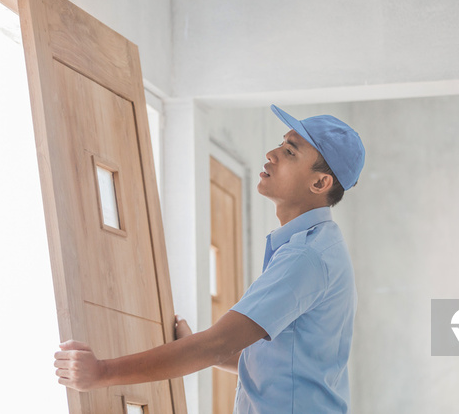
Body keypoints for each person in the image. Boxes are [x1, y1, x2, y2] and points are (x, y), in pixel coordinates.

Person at [54, 104, 365, 413]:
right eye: (282, 144)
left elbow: (218, 344)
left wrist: (101, 373)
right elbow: (273, 364)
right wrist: (197, 344)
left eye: (290, 152)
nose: (272, 153)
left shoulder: (306, 256)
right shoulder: (315, 247)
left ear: (320, 183)